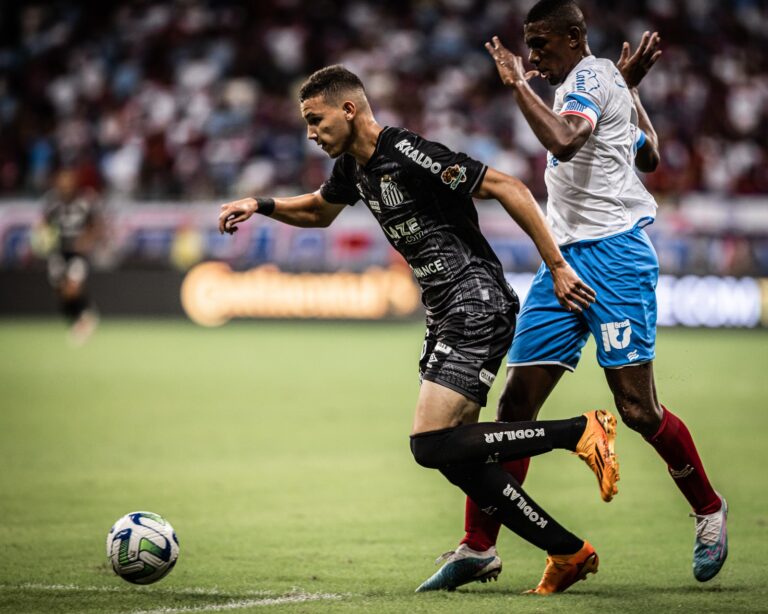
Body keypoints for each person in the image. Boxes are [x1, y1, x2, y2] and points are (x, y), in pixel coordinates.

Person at [218, 64, 620, 594]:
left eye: (315, 121)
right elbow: (319, 212)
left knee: (429, 445)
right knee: (459, 455)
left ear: (349, 110)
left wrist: (559, 266)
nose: (310, 133)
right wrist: (260, 204)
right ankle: (564, 550)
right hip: (445, 311)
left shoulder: (408, 153)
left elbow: (508, 186)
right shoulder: (353, 168)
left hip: (474, 301)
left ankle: (579, 432)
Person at [419, 0, 727, 592]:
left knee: (637, 410)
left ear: (573, 36)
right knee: (514, 406)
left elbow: (562, 142)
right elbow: (650, 153)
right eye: (527, 47)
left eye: (541, 44)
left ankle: (709, 508)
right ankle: (478, 546)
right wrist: (628, 90)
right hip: (561, 260)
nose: (533, 56)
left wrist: (516, 84)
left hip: (616, 259)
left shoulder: (585, 80)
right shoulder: (600, 79)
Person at [39, 168, 103, 344]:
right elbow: (44, 223)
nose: (65, 185)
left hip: (78, 252)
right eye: (62, 181)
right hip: (59, 250)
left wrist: (86, 240)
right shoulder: (52, 201)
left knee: (72, 286)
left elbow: (95, 225)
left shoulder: (85, 201)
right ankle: (79, 317)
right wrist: (43, 238)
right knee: (61, 289)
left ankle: (86, 314)